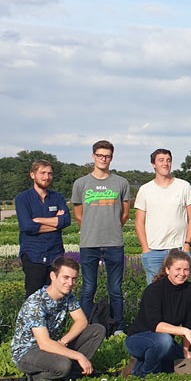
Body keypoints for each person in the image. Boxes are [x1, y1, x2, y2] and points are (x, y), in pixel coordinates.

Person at [10, 257, 106, 381]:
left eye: (74, 279)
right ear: (53, 276)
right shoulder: (36, 303)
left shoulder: (68, 295)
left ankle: (75, 371)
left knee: (97, 330)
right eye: (65, 278)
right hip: (28, 351)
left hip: (51, 344)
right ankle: (37, 377)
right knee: (63, 365)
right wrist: (79, 356)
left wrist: (63, 341)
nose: (70, 283)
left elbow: (82, 321)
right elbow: (44, 343)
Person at [71, 140, 130, 333]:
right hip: (90, 243)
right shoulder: (81, 183)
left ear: (112, 158)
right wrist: (91, 228)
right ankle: (85, 327)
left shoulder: (121, 183)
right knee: (88, 288)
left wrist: (111, 227)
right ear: (93, 156)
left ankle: (118, 328)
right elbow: (79, 214)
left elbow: (125, 214)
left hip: (114, 242)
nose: (103, 159)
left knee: (115, 289)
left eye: (107, 156)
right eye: (100, 155)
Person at [125, 250, 191, 377]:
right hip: (139, 339)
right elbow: (156, 325)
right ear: (167, 270)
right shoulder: (154, 290)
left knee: (187, 364)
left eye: (186, 270)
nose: (182, 274)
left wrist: (185, 351)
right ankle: (146, 375)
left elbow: (189, 323)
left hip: (164, 343)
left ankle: (139, 364)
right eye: (177, 269)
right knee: (164, 341)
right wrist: (184, 331)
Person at [134, 149, 191, 282]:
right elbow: (139, 222)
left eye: (168, 160)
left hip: (178, 249)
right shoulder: (145, 190)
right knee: (155, 291)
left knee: (179, 289)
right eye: (161, 160)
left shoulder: (184, 186)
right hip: (153, 251)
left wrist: (187, 244)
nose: (166, 163)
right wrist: (145, 249)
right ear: (153, 164)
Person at [16, 160, 70, 297]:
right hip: (33, 254)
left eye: (50, 173)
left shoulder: (57, 197)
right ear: (32, 175)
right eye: (42, 173)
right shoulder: (22, 198)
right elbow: (27, 226)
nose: (46, 177)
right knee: (34, 297)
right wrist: (56, 223)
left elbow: (66, 220)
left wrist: (39, 220)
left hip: (55, 253)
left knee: (56, 296)